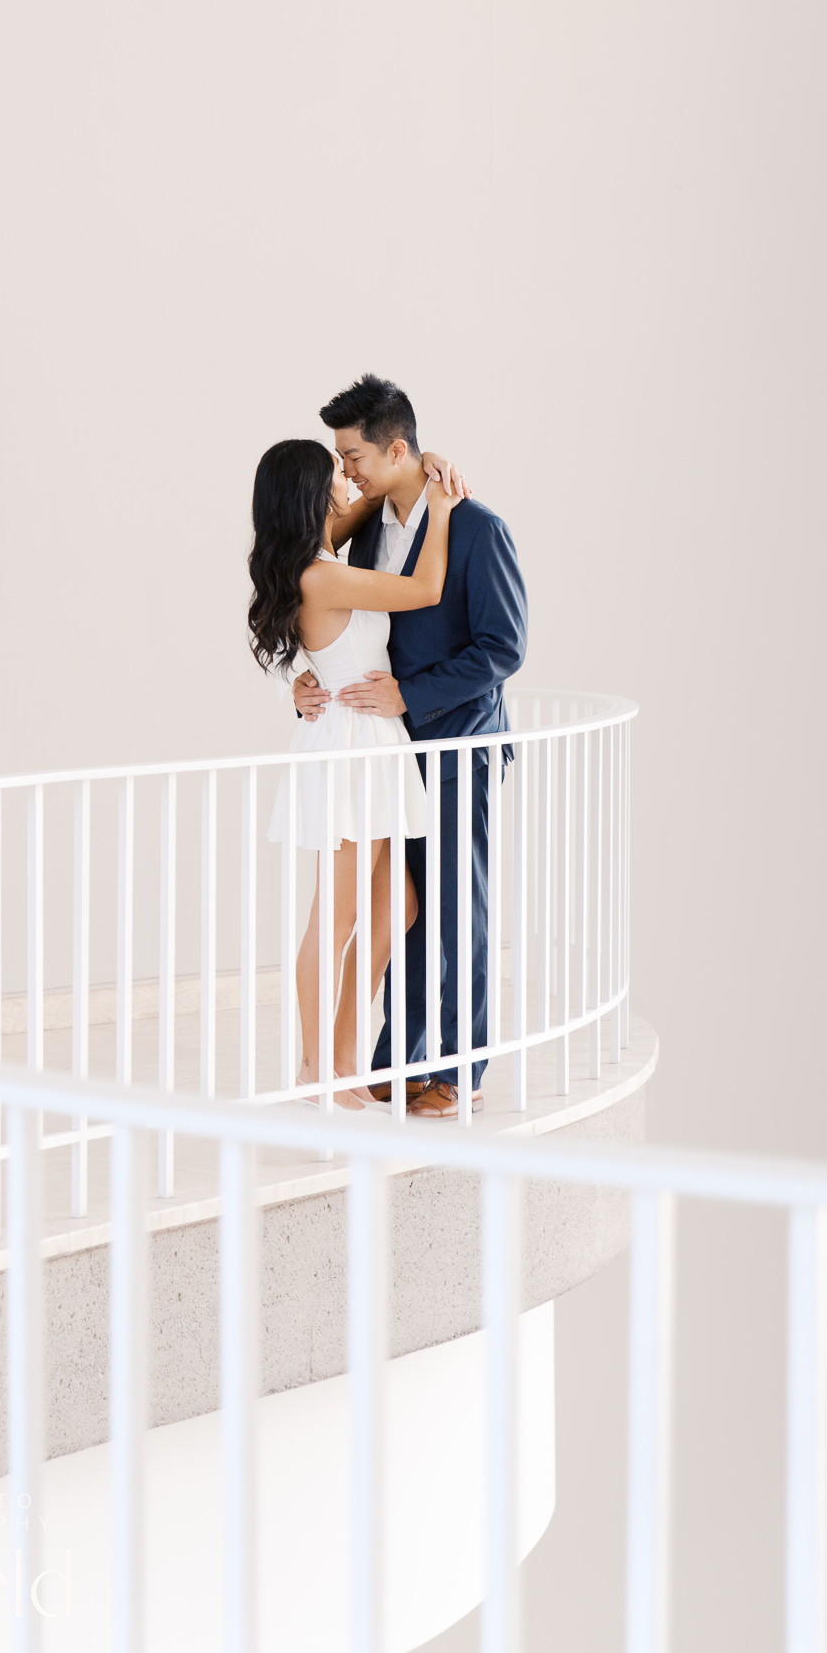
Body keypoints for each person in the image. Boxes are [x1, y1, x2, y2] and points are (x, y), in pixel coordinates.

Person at [295, 375, 528, 1119]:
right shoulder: (364, 529)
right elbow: (291, 581)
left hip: (456, 745)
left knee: (460, 910)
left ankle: (463, 1070)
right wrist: (299, 677)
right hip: (387, 754)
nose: (346, 470)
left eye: (355, 455)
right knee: (406, 910)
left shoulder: (478, 526)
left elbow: (504, 647)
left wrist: (412, 697)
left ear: (398, 448)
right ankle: (399, 1061)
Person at [247, 437, 463, 1107]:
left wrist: (393, 474)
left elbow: (356, 509)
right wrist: (443, 504)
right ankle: (317, 1069)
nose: (347, 481)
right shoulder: (320, 573)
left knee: (397, 904)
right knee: (334, 918)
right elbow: (425, 589)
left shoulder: (318, 560)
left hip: (368, 740)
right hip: (351, 746)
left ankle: (341, 1056)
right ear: (310, 496)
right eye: (333, 474)